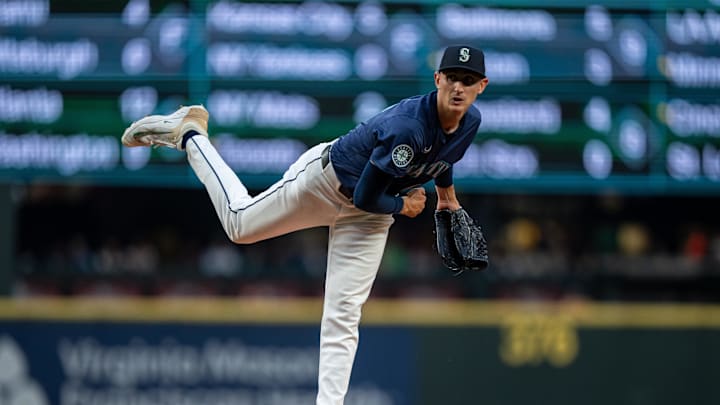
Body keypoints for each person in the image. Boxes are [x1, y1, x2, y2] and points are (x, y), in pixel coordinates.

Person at [121, 44, 489, 405]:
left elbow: (444, 154)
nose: (459, 87)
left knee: (344, 315)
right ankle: (190, 134)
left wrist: (446, 197)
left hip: (371, 216)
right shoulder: (407, 128)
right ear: (438, 79)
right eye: (453, 78)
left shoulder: (469, 121)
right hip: (327, 184)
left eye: (468, 80)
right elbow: (365, 196)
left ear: (481, 86)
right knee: (239, 225)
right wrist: (404, 206)